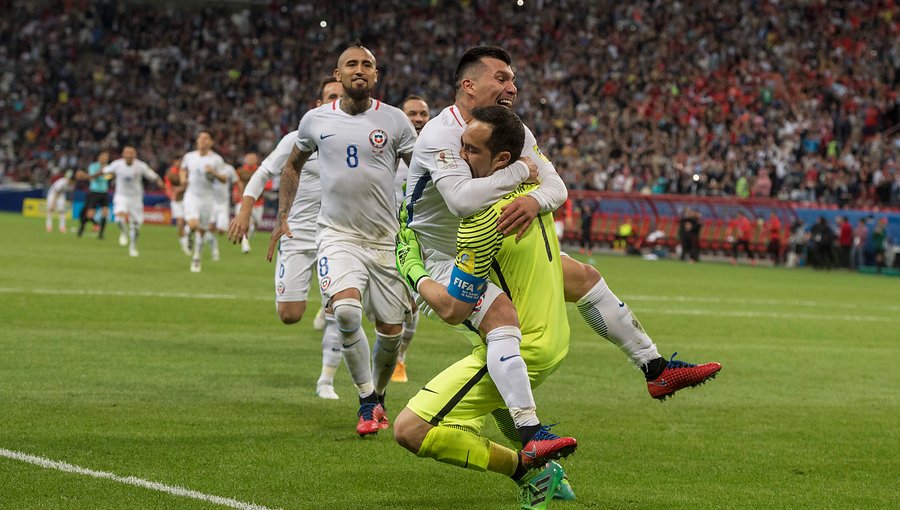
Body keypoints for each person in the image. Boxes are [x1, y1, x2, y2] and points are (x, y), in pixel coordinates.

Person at [404, 46, 720, 421]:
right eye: (502, 78)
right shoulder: (441, 133)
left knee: (584, 277)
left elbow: (557, 187)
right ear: (469, 85)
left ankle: (655, 368)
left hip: (494, 248)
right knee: (502, 328)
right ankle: (527, 436)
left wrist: (536, 202)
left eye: (514, 79)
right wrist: (521, 173)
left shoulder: (513, 131)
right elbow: (459, 200)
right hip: (443, 257)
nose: (513, 87)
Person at [395, 106, 576, 509]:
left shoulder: (479, 220)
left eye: (471, 151)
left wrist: (412, 270)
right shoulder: (529, 200)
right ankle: (534, 446)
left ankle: (529, 455)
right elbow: (582, 274)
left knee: (411, 430)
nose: (460, 157)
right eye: (461, 146)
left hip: (519, 344)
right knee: (500, 339)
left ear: (501, 159)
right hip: (552, 340)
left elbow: (452, 309)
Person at [267, 43, 417, 436]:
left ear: (376, 75)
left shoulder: (396, 120)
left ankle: (379, 395)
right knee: (347, 313)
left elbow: (419, 175)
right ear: (338, 75)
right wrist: (282, 217)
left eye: (367, 64)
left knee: (391, 331)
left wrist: (423, 231)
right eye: (351, 64)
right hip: (337, 235)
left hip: (385, 240)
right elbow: (292, 167)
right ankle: (366, 401)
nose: (359, 70)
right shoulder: (316, 120)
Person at [229, 76, 345, 400]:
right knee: (290, 315)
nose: (336, 101)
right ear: (318, 104)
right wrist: (244, 209)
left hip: (335, 237)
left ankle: (326, 380)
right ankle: (324, 305)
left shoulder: (356, 142)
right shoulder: (298, 138)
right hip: (295, 233)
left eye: (341, 96)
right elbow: (265, 172)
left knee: (342, 310)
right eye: (330, 96)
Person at [392, 94, 431, 384]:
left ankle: (401, 358)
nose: (418, 119)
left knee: (411, 301)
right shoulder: (387, 149)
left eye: (423, 114)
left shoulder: (434, 150)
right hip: (383, 231)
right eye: (412, 114)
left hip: (417, 235)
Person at [103, 146, 165, 257]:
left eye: (131, 153)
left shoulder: (141, 166)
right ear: (123, 154)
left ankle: (133, 247)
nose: (129, 155)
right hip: (121, 195)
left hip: (136, 198)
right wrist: (89, 177)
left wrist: (160, 182)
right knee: (119, 218)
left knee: (135, 226)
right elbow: (104, 172)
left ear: (135, 155)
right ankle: (123, 232)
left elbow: (153, 176)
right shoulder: (117, 164)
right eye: (126, 153)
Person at [181, 132, 227, 273]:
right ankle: (188, 232)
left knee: (202, 231)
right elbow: (183, 169)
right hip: (192, 195)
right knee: (194, 224)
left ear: (211, 142)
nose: (202, 140)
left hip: (208, 198)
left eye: (206, 138)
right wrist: (183, 179)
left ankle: (196, 258)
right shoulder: (189, 156)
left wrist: (213, 172)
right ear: (197, 141)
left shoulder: (216, 159)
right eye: (200, 138)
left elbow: (224, 179)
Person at [208, 161, 240, 262]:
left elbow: (236, 181)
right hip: (211, 201)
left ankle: (206, 236)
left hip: (223, 203)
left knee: (221, 230)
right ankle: (215, 251)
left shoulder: (229, 169)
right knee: (211, 228)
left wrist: (240, 193)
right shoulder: (208, 166)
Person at [76, 151, 111, 239]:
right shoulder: (93, 166)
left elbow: (109, 177)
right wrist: (101, 171)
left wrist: (106, 172)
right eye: (103, 157)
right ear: (99, 157)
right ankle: (82, 228)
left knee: (105, 212)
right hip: (94, 191)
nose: (105, 159)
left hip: (104, 192)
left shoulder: (109, 167)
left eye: (106, 157)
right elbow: (92, 177)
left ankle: (101, 234)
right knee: (90, 214)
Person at [233, 152, 262, 254]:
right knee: (245, 222)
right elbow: (236, 183)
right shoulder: (240, 171)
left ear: (256, 160)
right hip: (243, 201)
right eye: (248, 158)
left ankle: (249, 236)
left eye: (252, 158)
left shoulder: (260, 171)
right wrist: (236, 193)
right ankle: (245, 243)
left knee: (257, 223)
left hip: (258, 202)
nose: (250, 160)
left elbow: (268, 185)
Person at [164, 158, 190, 255]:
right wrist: (172, 195)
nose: (179, 163)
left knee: (189, 221)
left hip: (188, 199)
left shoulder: (188, 171)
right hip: (177, 201)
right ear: (174, 162)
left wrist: (180, 189)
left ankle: (187, 237)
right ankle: (184, 244)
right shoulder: (170, 174)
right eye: (177, 161)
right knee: (180, 223)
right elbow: (167, 187)